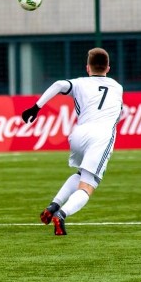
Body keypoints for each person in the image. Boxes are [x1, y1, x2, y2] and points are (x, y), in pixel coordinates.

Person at [21, 47, 123, 236]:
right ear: (108, 68)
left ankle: (53, 205)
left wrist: (36, 107)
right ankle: (61, 214)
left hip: (78, 134)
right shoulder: (117, 87)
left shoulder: (79, 83)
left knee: (80, 174)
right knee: (88, 185)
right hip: (100, 137)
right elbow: (119, 112)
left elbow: (60, 84)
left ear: (87, 67)